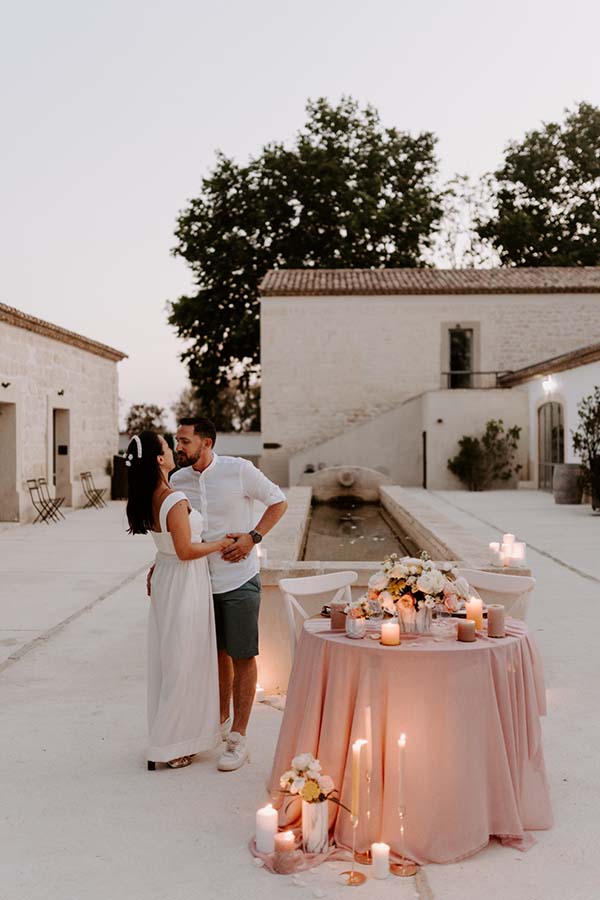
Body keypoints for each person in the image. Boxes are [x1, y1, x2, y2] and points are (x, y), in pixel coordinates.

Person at [169, 416, 288, 771]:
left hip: (238, 580)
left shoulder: (239, 470)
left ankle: (238, 738)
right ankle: (215, 726)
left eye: (184, 441)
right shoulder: (178, 480)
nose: (179, 447)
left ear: (206, 443)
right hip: (196, 583)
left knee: (242, 656)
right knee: (213, 657)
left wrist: (253, 537)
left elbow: (278, 501)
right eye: (177, 440)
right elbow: (176, 531)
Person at [126, 431, 233, 770]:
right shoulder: (172, 499)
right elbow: (186, 550)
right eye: (166, 446)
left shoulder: (149, 497)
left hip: (168, 577)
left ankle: (174, 735)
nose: (173, 450)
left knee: (172, 656)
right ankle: (171, 743)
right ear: (159, 459)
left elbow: (167, 546)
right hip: (184, 581)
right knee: (184, 659)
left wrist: (159, 563)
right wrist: (221, 544)